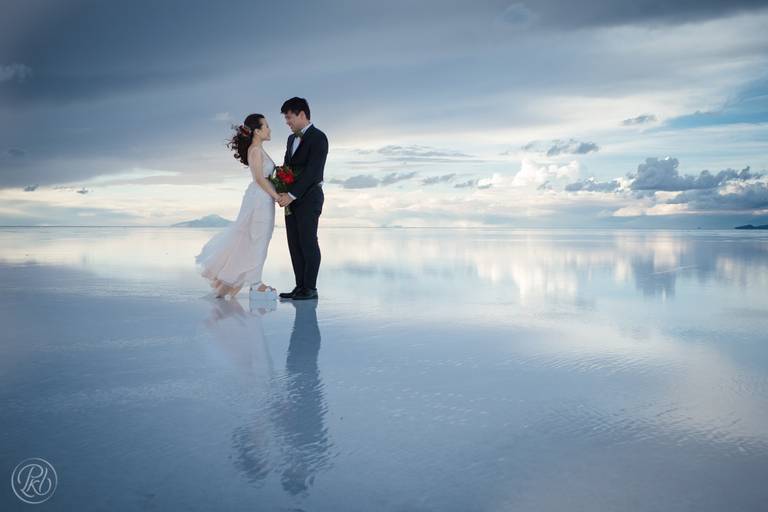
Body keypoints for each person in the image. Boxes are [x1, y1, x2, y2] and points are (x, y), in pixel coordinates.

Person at [195, 113, 280, 300]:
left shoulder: (258, 148)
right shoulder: (256, 150)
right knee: (257, 239)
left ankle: (247, 280)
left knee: (258, 238)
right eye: (266, 126)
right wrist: (276, 195)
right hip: (260, 200)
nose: (270, 129)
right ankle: (256, 284)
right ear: (257, 131)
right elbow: (259, 178)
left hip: (261, 198)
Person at [276, 97, 328, 301]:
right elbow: (287, 168)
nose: (287, 122)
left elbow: (313, 173)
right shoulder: (291, 139)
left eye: (289, 118)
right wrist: (280, 188)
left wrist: (290, 194)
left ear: (302, 114)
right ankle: (300, 286)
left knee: (308, 242)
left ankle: (311, 288)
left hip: (309, 197)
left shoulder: (319, 137)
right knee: (294, 243)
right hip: (291, 199)